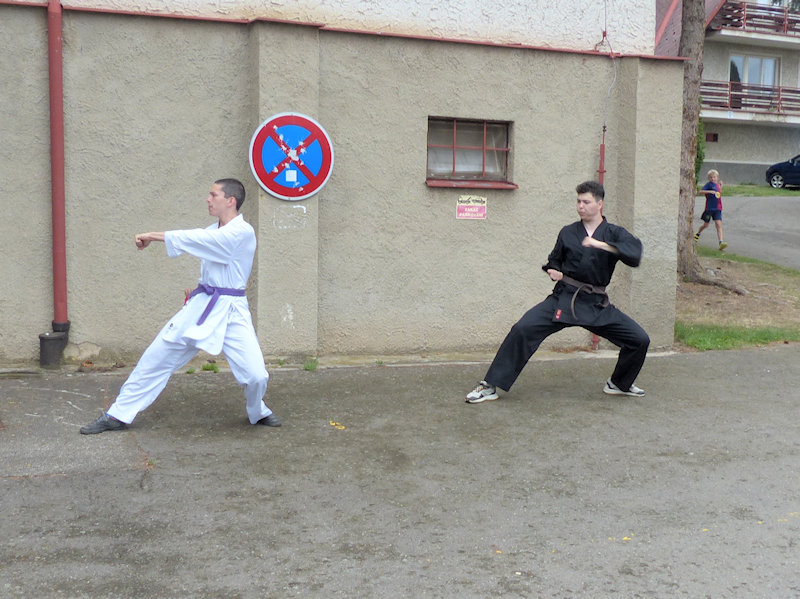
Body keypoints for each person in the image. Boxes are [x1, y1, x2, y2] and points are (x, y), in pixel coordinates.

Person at [80, 178, 281, 434]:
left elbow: (200, 241)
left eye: (214, 195)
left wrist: (153, 236)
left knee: (256, 375)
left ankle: (258, 410)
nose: (208, 199)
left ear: (231, 201)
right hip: (202, 305)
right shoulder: (212, 230)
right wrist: (199, 290)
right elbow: (209, 253)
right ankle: (117, 414)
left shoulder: (242, 232)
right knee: (156, 357)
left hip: (233, 310)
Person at [466, 180, 650, 404]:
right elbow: (554, 260)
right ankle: (490, 385)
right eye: (578, 201)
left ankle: (619, 383)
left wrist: (601, 245)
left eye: (586, 202)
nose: (580, 206)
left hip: (595, 303)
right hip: (564, 298)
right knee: (523, 328)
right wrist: (553, 271)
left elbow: (634, 254)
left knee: (639, 339)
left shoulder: (614, 233)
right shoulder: (568, 232)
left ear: (600, 204)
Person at [694, 169, 727, 250]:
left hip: (718, 209)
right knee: (706, 225)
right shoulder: (708, 185)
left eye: (714, 177)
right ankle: (698, 234)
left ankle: (721, 242)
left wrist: (721, 187)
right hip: (709, 209)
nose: (713, 179)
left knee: (718, 225)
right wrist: (709, 191)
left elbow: (718, 194)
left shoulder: (718, 185)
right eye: (711, 177)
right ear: (708, 178)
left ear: (717, 177)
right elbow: (701, 191)